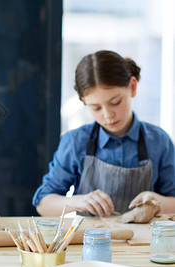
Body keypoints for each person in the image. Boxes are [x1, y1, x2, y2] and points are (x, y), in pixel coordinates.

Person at [33, 50, 175, 216]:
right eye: (96, 108)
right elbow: (43, 203)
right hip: (88, 241)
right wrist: (78, 201)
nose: (108, 115)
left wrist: (158, 202)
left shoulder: (159, 141)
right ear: (85, 102)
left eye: (115, 102)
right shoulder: (75, 141)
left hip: (144, 242)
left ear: (132, 87)